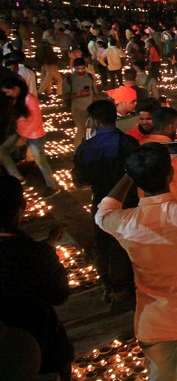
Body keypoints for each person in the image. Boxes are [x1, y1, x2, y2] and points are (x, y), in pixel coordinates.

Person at [95, 143, 177, 381]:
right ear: (170, 174)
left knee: (160, 376)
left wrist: (130, 174)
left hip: (152, 320)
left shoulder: (126, 222)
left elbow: (103, 211)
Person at [0, 175, 74, 381]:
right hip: (40, 342)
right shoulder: (33, 253)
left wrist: (48, 243)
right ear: (22, 206)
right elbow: (59, 294)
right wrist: (48, 254)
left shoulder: (30, 251)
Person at [72, 99, 141, 307]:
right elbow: (138, 172)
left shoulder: (86, 148)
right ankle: (127, 287)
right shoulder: (129, 143)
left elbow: (79, 180)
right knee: (126, 244)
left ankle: (108, 285)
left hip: (101, 201)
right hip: (128, 202)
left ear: (95, 121)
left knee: (102, 244)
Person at [0, 76, 56, 194]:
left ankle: (53, 187)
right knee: (2, 151)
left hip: (35, 135)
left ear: (15, 88)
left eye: (8, 91)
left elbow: (35, 120)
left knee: (40, 161)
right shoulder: (17, 99)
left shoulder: (30, 99)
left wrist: (24, 137)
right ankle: (17, 178)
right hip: (20, 133)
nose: (7, 94)